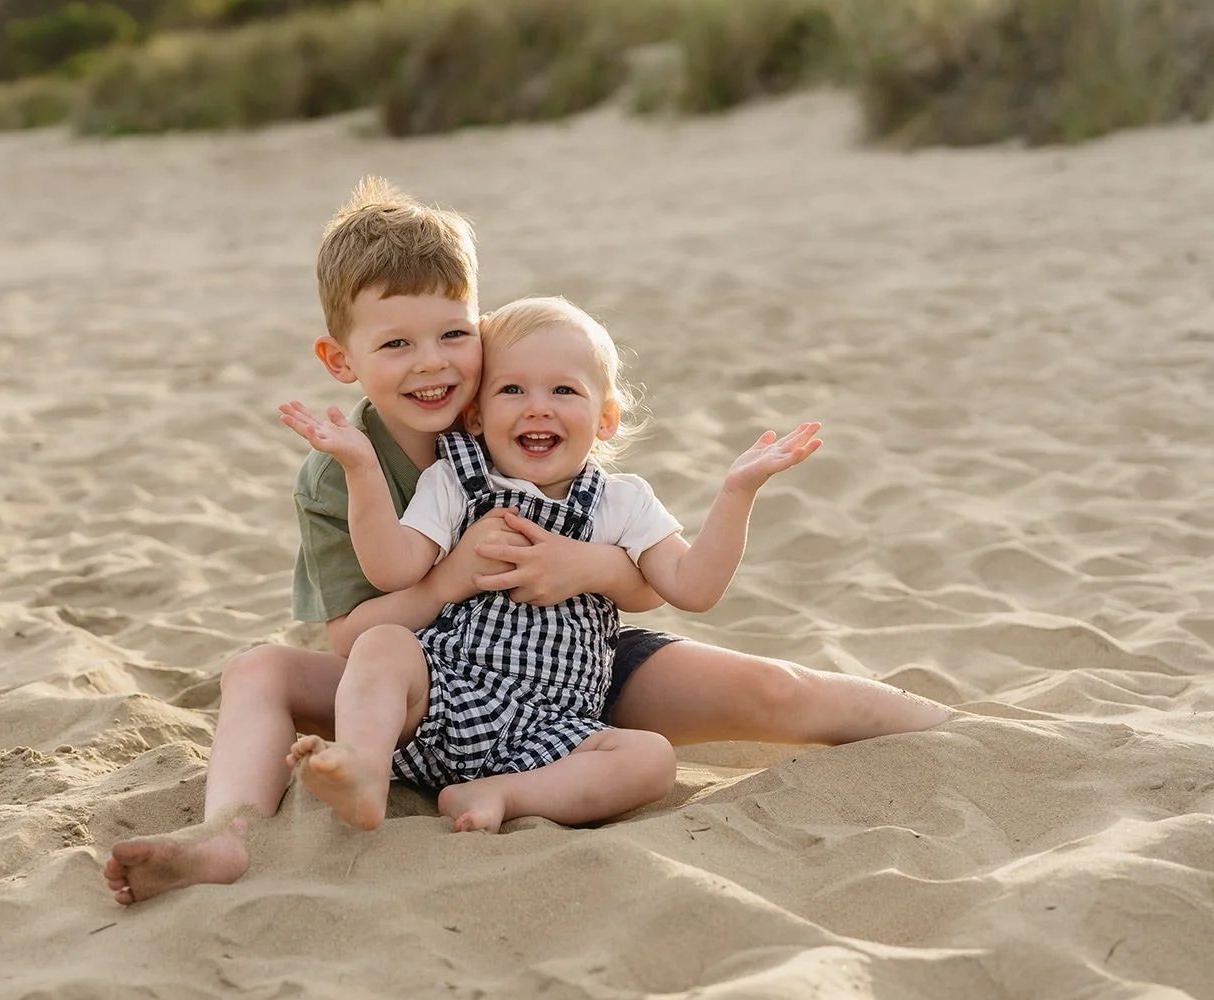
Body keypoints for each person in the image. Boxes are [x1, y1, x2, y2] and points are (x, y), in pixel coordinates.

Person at [102, 178, 952, 906]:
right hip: (423, 678)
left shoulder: (525, 385)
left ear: (481, 324)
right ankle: (226, 833)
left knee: (773, 692)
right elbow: (359, 636)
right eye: (395, 344)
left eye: (454, 335)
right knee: (257, 666)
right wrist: (453, 577)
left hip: (573, 660)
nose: (433, 363)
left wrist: (590, 565)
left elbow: (664, 581)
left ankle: (956, 729)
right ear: (344, 359)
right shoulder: (345, 473)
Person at [279, 295, 823, 835]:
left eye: (563, 390)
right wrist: (361, 468)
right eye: (511, 389)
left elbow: (693, 587)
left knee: (649, 758)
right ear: (477, 414)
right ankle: (365, 773)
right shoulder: (452, 482)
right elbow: (391, 569)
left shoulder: (622, 502)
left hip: (556, 733)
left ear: (605, 417)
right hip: (442, 701)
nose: (537, 407)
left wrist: (736, 492)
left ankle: (500, 794)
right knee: (382, 643)